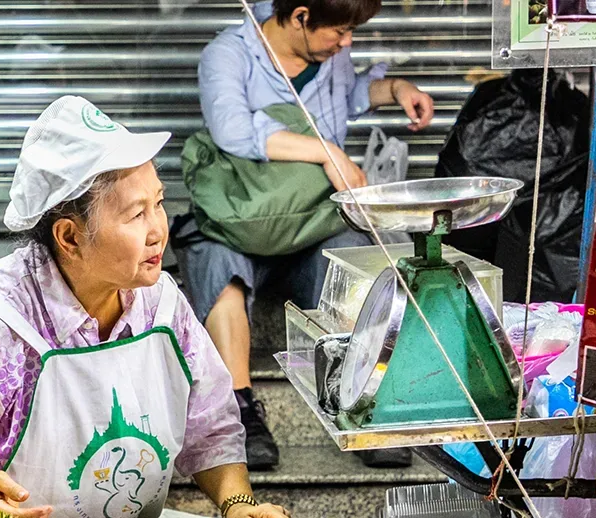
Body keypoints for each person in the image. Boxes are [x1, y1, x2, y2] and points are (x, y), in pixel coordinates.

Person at [0, 96, 301, 518]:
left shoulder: (161, 306)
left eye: (158, 203)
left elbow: (210, 425)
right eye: (137, 214)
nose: (159, 229)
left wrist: (237, 505)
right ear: (70, 237)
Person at [175, 0, 436, 469]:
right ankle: (241, 413)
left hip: (310, 223)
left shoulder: (329, 57)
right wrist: (327, 153)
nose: (347, 41)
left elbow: (349, 97)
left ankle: (362, 401)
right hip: (240, 218)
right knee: (217, 267)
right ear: (299, 16)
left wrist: (395, 88)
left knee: (357, 260)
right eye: (338, 31)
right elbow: (233, 130)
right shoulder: (228, 54)